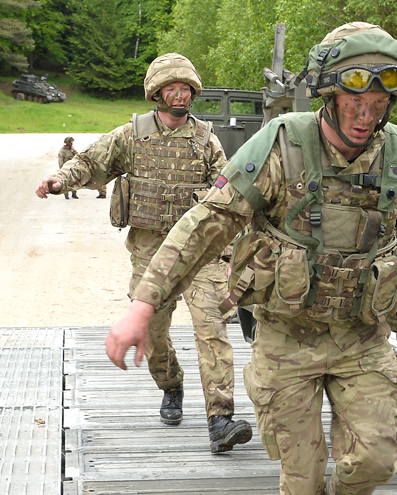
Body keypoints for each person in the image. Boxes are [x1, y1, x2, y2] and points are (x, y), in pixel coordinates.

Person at [103, 22, 397, 495]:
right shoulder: (282, 144)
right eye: (356, 97)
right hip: (287, 338)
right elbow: (206, 223)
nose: (367, 112)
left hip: (362, 337)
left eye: (380, 100)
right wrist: (143, 304)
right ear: (331, 92)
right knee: (300, 472)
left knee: (377, 455)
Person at [35, 54, 253, 453]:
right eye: (172, 87)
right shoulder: (131, 135)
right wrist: (59, 179)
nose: (181, 94)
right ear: (157, 93)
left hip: (202, 252)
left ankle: (220, 417)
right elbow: (89, 162)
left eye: (186, 88)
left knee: (211, 327)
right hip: (151, 252)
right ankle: (171, 384)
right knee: (153, 334)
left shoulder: (207, 140)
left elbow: (228, 191)